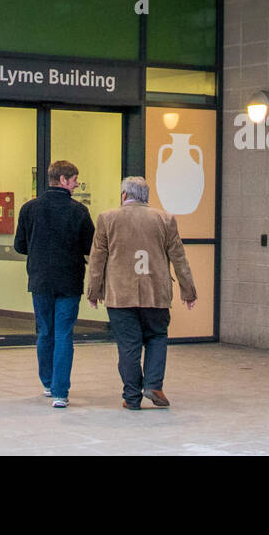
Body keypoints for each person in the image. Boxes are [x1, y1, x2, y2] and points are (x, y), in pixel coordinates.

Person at [87, 175, 196, 410]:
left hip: (120, 296)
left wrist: (93, 291)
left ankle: (132, 397)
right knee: (157, 337)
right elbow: (179, 257)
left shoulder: (107, 218)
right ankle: (153, 384)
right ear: (146, 196)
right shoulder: (165, 219)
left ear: (124, 195)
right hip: (156, 294)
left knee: (128, 346)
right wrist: (188, 291)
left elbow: (98, 258)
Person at [13, 159, 95, 408]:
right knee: (64, 334)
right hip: (70, 281)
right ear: (62, 180)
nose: (76, 184)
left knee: (45, 332)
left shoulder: (29, 209)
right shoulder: (79, 211)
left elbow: (20, 246)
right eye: (74, 179)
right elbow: (90, 246)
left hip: (40, 280)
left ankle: (47, 383)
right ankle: (61, 392)